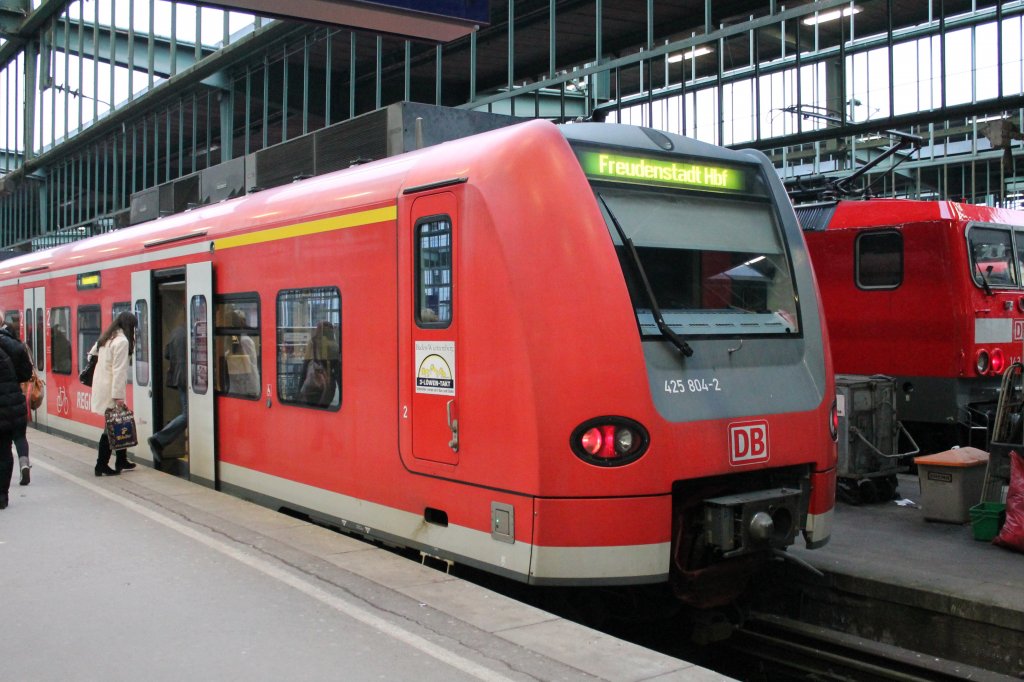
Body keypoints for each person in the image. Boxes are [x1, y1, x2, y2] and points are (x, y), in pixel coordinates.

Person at [90, 311, 138, 476]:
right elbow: (119, 371)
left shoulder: (106, 338)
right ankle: (101, 465)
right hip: (111, 390)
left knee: (119, 423)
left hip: (102, 387)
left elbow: (91, 354)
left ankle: (121, 460)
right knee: (110, 428)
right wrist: (118, 397)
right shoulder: (122, 342)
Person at [0, 318, 33, 509]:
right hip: (11, 405)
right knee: (5, 451)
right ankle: (2, 495)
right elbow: (26, 374)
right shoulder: (14, 345)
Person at [148, 319, 187, 468]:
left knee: (188, 413)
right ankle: (158, 439)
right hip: (187, 378)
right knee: (188, 414)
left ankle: (160, 439)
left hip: (179, 377)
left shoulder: (176, 332)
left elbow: (167, 354)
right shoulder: (189, 333)